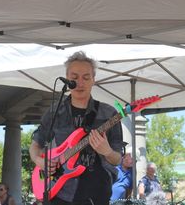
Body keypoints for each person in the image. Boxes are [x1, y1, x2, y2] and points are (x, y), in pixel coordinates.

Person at [30, 51, 124, 205]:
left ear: (93, 80)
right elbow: (36, 144)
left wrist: (107, 151)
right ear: (67, 80)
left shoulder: (109, 114)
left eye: (86, 77)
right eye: (74, 78)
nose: (80, 83)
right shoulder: (55, 111)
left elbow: (117, 159)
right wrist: (39, 161)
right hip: (58, 192)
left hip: (96, 193)